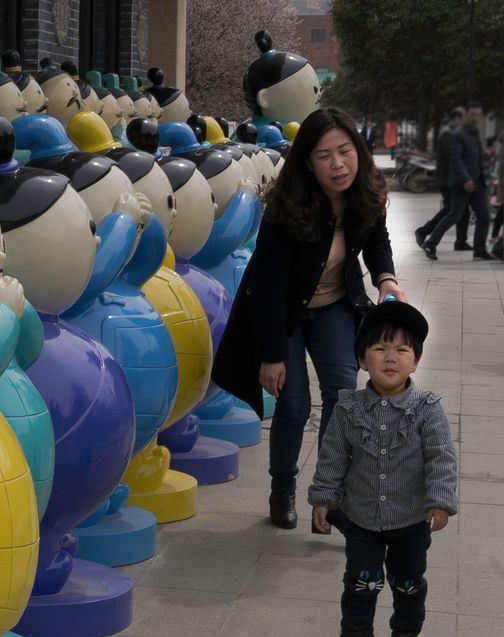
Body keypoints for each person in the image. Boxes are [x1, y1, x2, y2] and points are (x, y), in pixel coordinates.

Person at [211, 106, 407, 530]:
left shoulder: (367, 191)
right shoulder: (288, 207)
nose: (338, 164)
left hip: (335, 305)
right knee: (295, 406)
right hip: (284, 314)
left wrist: (386, 279)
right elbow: (268, 287)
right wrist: (271, 355)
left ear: (357, 149)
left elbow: (377, 239)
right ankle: (282, 489)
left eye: (344, 151)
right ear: (307, 162)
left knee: (342, 402)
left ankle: (327, 497)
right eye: (323, 156)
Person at [308, 300, 458, 637]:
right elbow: (333, 457)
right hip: (361, 520)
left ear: (416, 361)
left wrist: (439, 501)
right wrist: (323, 499)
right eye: (379, 348)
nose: (390, 358)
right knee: (360, 583)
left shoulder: (428, 408)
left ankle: (406, 634)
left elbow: (441, 457)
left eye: (401, 350)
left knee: (408, 584)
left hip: (411, 521)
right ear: (362, 360)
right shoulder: (347, 409)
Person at [421, 101, 493, 260]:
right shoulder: (457, 135)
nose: (476, 117)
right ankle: (430, 243)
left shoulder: (475, 133)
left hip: (477, 182)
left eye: (478, 115)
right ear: (467, 115)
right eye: (473, 114)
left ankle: (479, 250)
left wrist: (487, 154)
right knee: (454, 215)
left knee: (484, 216)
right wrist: (466, 178)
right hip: (462, 183)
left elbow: (478, 155)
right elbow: (456, 160)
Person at [415, 107, 470, 250]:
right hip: (448, 179)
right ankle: (423, 231)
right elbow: (453, 157)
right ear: (457, 118)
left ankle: (461, 241)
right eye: (464, 118)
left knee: (463, 209)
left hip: (453, 177)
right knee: (451, 209)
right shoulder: (448, 134)